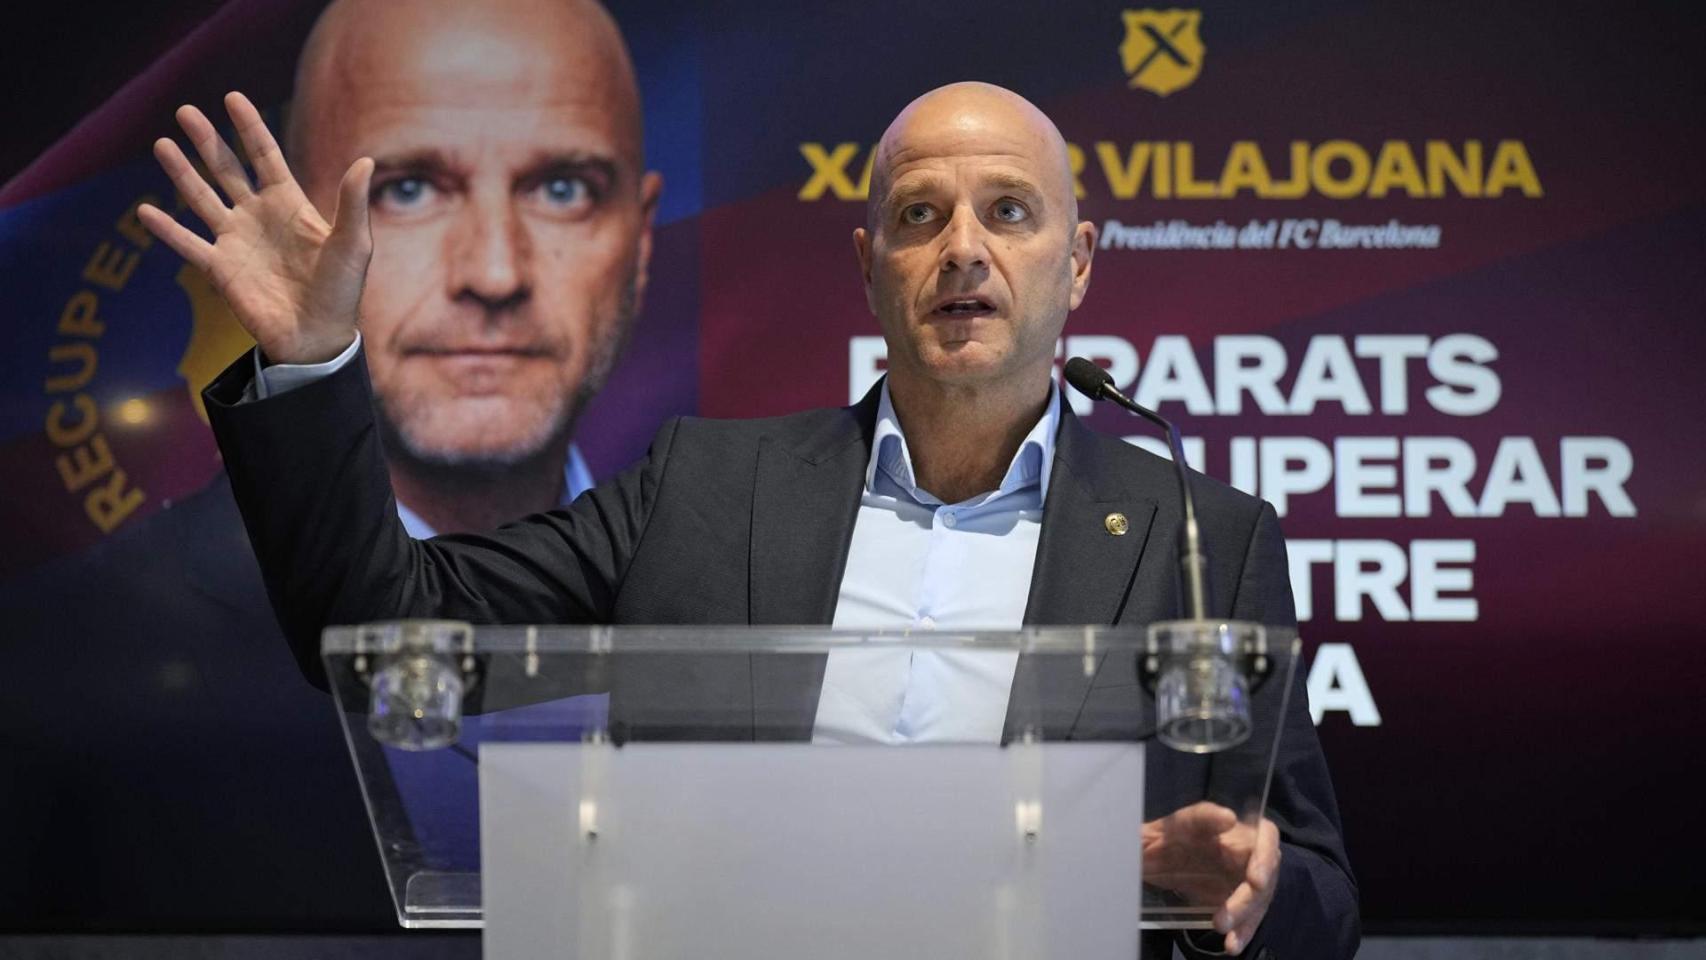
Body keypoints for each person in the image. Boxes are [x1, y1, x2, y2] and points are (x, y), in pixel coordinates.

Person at [144, 82, 1358, 957]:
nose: (962, 251)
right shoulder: (703, 487)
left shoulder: (1205, 537)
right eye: (919, 216)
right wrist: (312, 364)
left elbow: (1319, 890)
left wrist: (1252, 893)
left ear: (1077, 262)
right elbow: (378, 626)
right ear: (867, 265)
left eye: (1008, 212)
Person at [0, 0, 660, 924]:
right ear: (289, 226)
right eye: (407, 189)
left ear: (640, 241)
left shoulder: (747, 593)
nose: (495, 274)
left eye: (562, 188)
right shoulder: (55, 655)